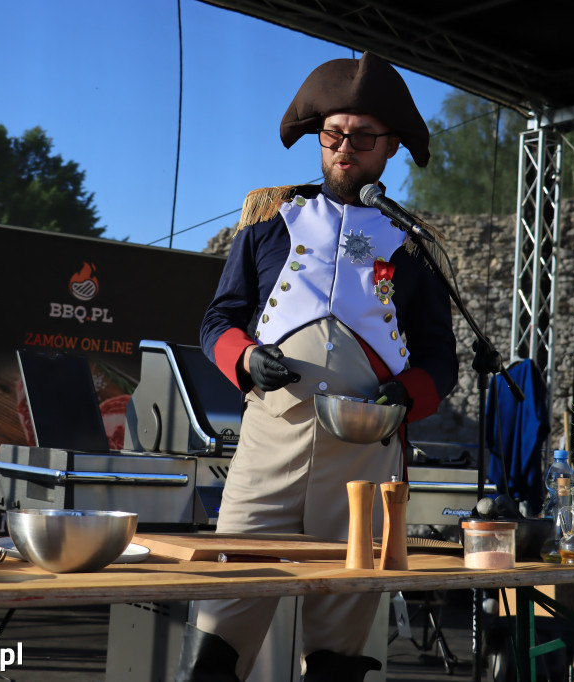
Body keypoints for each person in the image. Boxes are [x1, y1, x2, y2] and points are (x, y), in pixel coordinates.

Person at [176, 51, 458, 682]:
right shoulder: (266, 222)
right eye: (333, 136)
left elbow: (442, 360)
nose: (344, 150)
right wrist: (245, 357)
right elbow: (216, 322)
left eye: (362, 139)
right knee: (220, 629)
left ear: (389, 150)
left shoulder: (414, 246)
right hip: (267, 446)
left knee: (342, 649)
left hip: (364, 459)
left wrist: (405, 397)